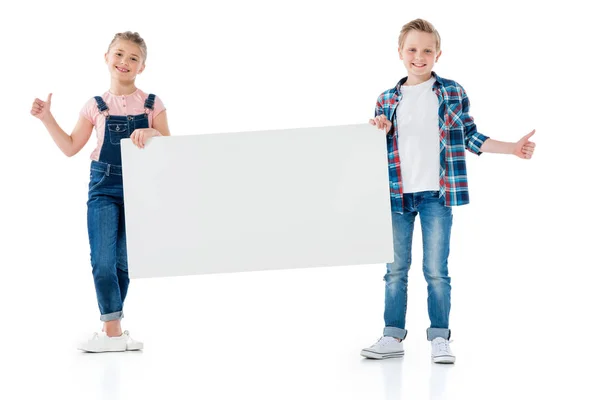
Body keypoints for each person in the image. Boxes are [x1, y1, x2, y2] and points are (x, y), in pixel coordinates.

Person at [361, 19, 536, 363]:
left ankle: (439, 337)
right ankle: (391, 335)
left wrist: (513, 148)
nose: (419, 56)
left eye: (427, 50)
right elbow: (372, 153)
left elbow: (471, 137)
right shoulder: (385, 99)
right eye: (412, 49)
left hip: (436, 196)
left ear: (438, 54)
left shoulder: (452, 92)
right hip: (397, 197)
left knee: (436, 270)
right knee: (395, 270)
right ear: (400, 53)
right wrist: (376, 133)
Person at [30, 31, 171, 352]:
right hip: (104, 185)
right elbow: (70, 147)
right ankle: (113, 333)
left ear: (142, 67)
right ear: (107, 58)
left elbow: (170, 147)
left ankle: (113, 333)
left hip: (141, 187)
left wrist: (151, 131)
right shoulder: (95, 105)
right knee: (103, 260)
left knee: (125, 263)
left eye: (133, 58)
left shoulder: (153, 103)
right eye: (119, 54)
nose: (125, 62)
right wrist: (46, 118)